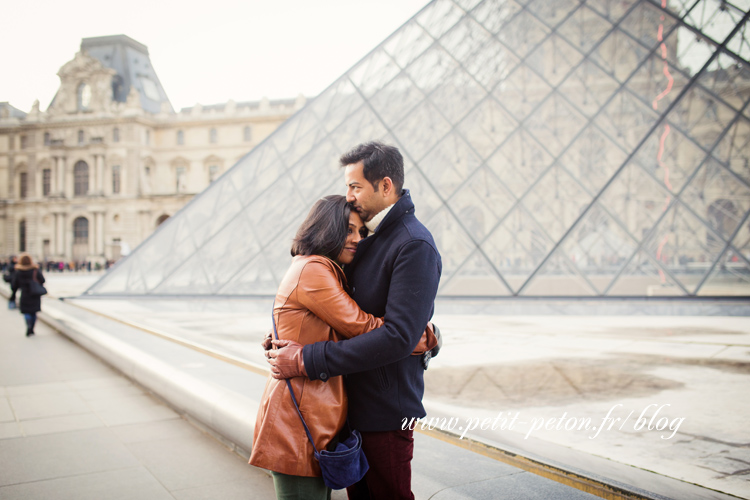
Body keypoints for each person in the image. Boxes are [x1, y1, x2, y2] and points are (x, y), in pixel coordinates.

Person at [268, 141, 442, 499]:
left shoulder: (413, 245)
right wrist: (281, 335)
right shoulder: (368, 241)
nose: (348, 196)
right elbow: (330, 312)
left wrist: (305, 358)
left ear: (385, 186)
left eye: (355, 186)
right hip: (351, 409)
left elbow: (396, 336)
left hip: (385, 412)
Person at [11, 253, 46, 337]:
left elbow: (14, 285)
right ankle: (32, 327)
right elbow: (42, 280)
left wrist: (14, 293)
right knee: (34, 312)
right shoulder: (35, 270)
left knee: (26, 312)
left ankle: (28, 325)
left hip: (24, 294)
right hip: (35, 294)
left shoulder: (18, 271)